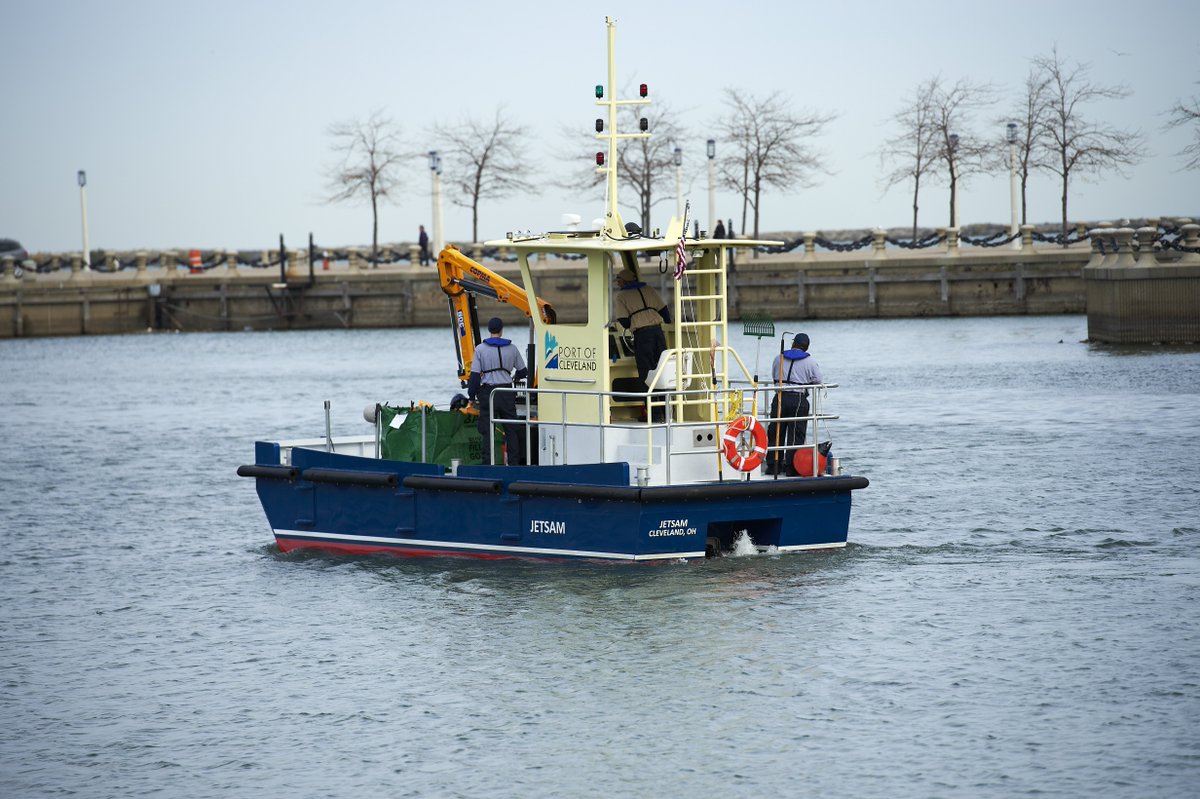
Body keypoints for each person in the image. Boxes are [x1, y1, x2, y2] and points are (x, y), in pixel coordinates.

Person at [467, 317, 528, 465]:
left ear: (489, 330)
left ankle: (488, 463)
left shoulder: (480, 349)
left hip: (488, 393)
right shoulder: (512, 348)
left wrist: (471, 395)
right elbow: (523, 371)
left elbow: (474, 376)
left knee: (487, 430)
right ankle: (514, 463)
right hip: (507, 391)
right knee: (511, 429)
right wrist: (513, 377)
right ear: (501, 330)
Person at [767, 332, 823, 475]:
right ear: (806, 347)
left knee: (776, 432)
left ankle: (773, 465)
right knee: (796, 434)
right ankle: (791, 468)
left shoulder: (778, 358)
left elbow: (774, 375)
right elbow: (817, 380)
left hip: (780, 398)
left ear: (793, 344)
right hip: (798, 399)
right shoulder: (810, 361)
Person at [613, 267, 670, 391]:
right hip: (658, 333)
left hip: (643, 336)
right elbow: (664, 311)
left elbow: (624, 322)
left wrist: (634, 319)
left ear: (625, 281)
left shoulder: (621, 296)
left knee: (646, 371)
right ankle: (665, 406)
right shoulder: (649, 290)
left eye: (619, 281)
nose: (618, 283)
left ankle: (653, 408)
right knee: (662, 369)